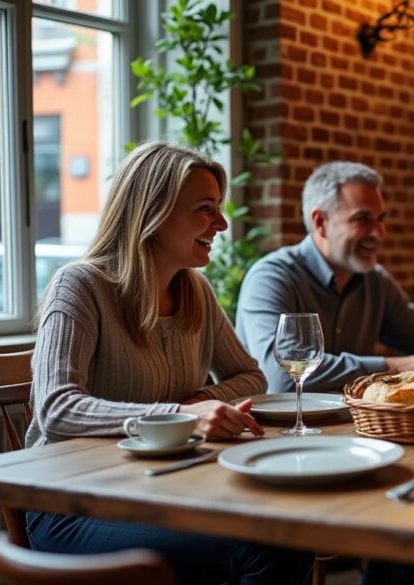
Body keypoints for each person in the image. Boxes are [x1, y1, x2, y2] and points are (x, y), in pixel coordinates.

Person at [26, 142, 312, 585]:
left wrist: (203, 400)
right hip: (71, 503)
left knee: (293, 524)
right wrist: (179, 415)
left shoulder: (195, 292)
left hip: (157, 487)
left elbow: (251, 376)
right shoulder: (79, 286)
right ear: (153, 214)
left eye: (218, 207)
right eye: (205, 208)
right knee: (270, 544)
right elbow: (56, 409)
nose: (221, 223)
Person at [236, 161, 414, 393]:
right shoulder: (270, 278)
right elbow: (282, 377)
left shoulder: (376, 282)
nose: (379, 233)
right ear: (320, 222)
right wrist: (393, 367)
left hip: (353, 417)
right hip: (280, 419)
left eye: (380, 219)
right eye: (363, 219)